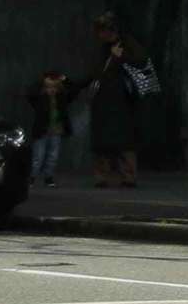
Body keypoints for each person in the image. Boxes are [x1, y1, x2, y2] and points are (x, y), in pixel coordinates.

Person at [82, 20, 154, 189]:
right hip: (106, 98)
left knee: (123, 140)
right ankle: (105, 176)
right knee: (105, 141)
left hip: (123, 99)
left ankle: (126, 175)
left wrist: (120, 58)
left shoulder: (127, 45)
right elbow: (95, 71)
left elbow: (141, 66)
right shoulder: (103, 49)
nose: (100, 35)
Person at [24, 69, 71, 187]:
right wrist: (42, 81)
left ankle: (48, 177)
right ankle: (32, 177)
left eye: (54, 87)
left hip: (56, 129)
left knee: (52, 156)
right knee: (38, 156)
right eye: (49, 87)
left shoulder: (61, 97)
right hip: (42, 129)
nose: (52, 89)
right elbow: (30, 93)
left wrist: (65, 80)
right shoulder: (40, 98)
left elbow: (74, 90)